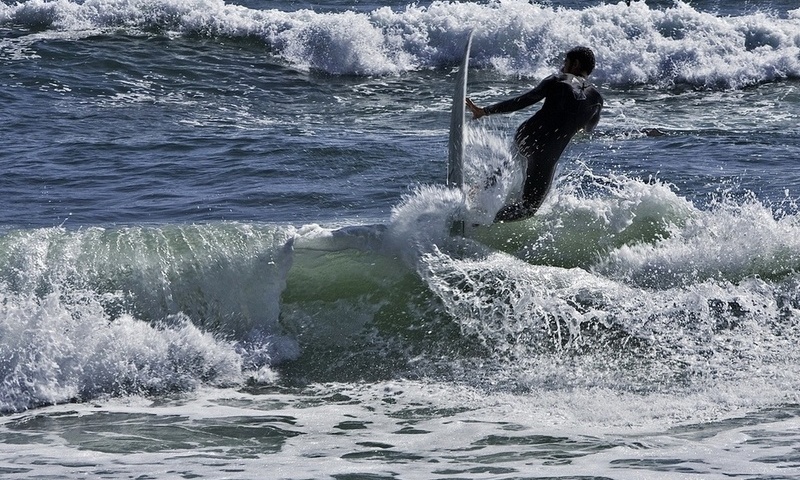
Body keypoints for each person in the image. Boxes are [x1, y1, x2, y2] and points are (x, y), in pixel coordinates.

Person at [466, 46, 603, 222]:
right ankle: (485, 223)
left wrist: (484, 111)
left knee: (513, 159)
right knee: (527, 209)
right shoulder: (597, 100)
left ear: (575, 64)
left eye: (565, 63)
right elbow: (588, 129)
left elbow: (525, 100)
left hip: (528, 136)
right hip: (547, 154)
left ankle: (479, 190)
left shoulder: (558, 79)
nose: (562, 67)